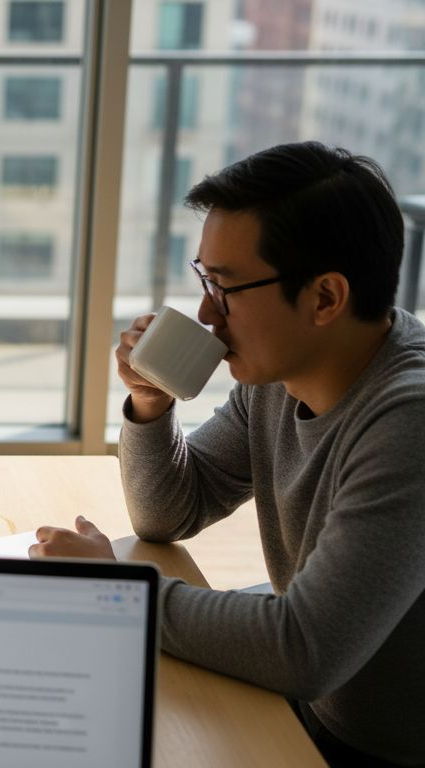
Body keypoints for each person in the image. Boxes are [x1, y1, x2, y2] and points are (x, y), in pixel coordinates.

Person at [33, 142, 424, 766]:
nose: (205, 314)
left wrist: (119, 591)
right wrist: (151, 404)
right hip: (314, 710)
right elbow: (170, 513)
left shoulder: (409, 423)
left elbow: (304, 651)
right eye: (204, 279)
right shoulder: (281, 376)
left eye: (225, 287)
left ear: (326, 298)